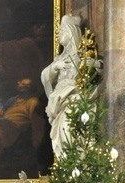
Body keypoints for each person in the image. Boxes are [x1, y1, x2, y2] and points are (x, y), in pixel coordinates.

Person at [40, 15, 102, 158]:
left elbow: (105, 70)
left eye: (62, 30)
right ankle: (68, 165)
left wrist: (95, 64)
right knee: (61, 132)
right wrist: (56, 66)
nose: (58, 33)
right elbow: (44, 76)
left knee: (69, 128)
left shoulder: (81, 55)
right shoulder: (59, 58)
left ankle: (75, 163)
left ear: (70, 32)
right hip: (59, 101)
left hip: (74, 99)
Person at [0, 78, 45, 164]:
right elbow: (1, 105)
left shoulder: (33, 102)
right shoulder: (14, 99)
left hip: (12, 128)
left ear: (28, 88)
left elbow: (37, 123)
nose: (18, 82)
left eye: (22, 83)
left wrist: (37, 144)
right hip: (1, 122)